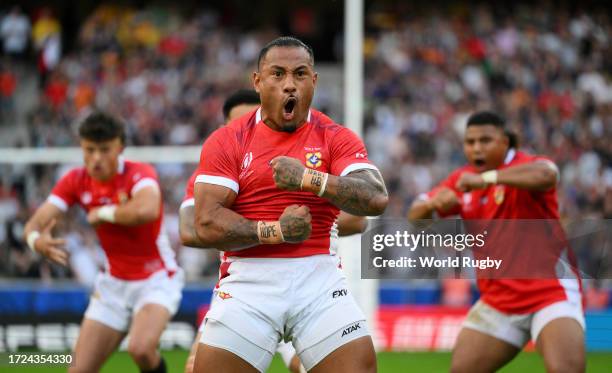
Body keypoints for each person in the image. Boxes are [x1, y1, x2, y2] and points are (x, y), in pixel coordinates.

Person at [192, 36, 387, 373]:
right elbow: (206, 224)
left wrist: (309, 178)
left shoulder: (335, 136)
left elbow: (376, 197)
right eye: (278, 74)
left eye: (299, 74)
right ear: (257, 81)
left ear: (314, 80)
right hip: (249, 281)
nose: (289, 85)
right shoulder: (228, 140)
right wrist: (277, 231)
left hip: (319, 278)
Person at [408, 111, 585, 373]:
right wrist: (432, 204)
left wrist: (487, 179)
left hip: (549, 292)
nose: (477, 148)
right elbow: (414, 216)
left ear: (506, 142)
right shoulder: (462, 179)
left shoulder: (526, 166)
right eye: (470, 142)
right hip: (497, 299)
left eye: (485, 140)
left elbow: (548, 175)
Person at [23, 112, 183, 373]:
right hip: (113, 285)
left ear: (120, 147)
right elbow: (35, 224)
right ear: (82, 147)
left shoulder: (138, 173)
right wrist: (35, 240)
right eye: (90, 150)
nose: (96, 158)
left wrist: (104, 213)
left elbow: (148, 209)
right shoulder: (75, 180)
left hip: (156, 278)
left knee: (140, 349)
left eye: (104, 150)